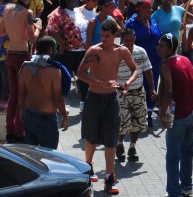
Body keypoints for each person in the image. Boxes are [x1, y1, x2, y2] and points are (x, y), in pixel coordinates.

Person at [77, 19, 137, 195]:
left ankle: (109, 177)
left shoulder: (122, 51)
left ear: (115, 36)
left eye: (107, 36)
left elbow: (135, 69)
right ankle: (88, 166)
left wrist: (127, 83)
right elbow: (80, 73)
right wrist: (100, 83)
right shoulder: (94, 51)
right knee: (91, 136)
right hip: (94, 98)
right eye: (102, 35)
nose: (103, 39)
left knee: (111, 138)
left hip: (112, 99)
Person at [158, 33, 193, 197]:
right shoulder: (186, 60)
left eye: (161, 46)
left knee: (173, 156)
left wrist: (163, 113)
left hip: (179, 118)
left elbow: (168, 90)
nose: (158, 48)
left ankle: (174, 191)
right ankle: (187, 186)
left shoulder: (166, 65)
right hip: (192, 114)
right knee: (187, 152)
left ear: (170, 48)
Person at [0, 0, 42, 141]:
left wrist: (16, 31)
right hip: (23, 55)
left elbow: (1, 32)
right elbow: (33, 38)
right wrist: (38, 26)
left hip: (11, 53)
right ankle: (19, 130)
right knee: (22, 95)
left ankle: (9, 128)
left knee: (13, 94)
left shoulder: (7, 9)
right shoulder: (28, 13)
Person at [18, 36, 70, 149]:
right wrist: (65, 117)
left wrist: (22, 111)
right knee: (48, 157)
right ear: (51, 50)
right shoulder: (54, 71)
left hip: (29, 115)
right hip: (47, 119)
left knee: (30, 155)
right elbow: (58, 98)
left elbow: (21, 94)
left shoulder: (25, 67)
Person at [115, 27, 153, 163]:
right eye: (127, 40)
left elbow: (148, 70)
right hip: (121, 93)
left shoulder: (141, 52)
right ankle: (119, 144)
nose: (129, 43)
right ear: (122, 40)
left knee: (138, 122)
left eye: (132, 40)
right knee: (123, 122)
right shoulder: (117, 53)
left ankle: (132, 147)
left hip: (138, 91)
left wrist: (153, 89)